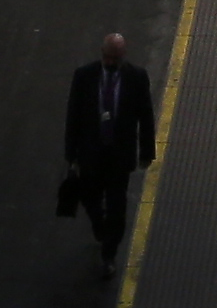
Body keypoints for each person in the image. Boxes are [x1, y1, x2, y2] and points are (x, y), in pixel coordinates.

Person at [61, 30, 158, 264]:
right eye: (108, 57)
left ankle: (109, 254)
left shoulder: (136, 77)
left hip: (119, 156)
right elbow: (73, 115)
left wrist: (146, 152)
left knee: (117, 207)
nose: (111, 62)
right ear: (102, 53)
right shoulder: (84, 76)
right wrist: (71, 153)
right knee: (90, 198)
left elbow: (145, 116)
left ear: (123, 55)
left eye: (116, 58)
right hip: (91, 153)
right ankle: (99, 223)